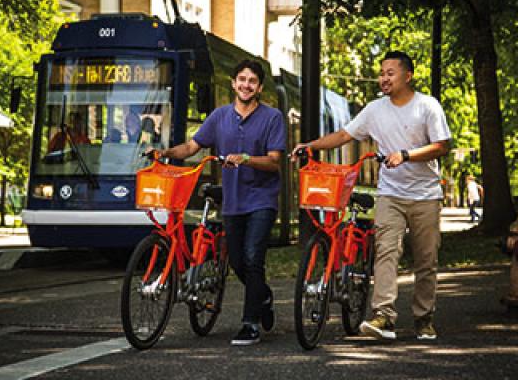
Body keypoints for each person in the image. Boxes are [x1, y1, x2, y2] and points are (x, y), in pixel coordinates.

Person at [292, 51, 451, 341]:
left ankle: (423, 317)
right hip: (390, 192)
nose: (383, 78)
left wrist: (405, 155)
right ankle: (383, 316)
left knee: (426, 260)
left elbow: (442, 146)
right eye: (381, 73)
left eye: (390, 73)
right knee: (386, 252)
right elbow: (344, 135)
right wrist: (310, 145)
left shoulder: (427, 106)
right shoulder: (375, 109)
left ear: (407, 75)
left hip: (426, 195)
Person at [148, 59, 285, 346]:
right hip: (233, 202)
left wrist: (246, 158)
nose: (246, 85)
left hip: (261, 199)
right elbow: (192, 147)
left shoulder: (272, 118)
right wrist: (165, 152)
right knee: (236, 261)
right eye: (242, 79)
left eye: (252, 81)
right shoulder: (219, 116)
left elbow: (275, 162)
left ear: (259, 87)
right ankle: (264, 296)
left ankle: (250, 324)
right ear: (234, 83)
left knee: (252, 257)